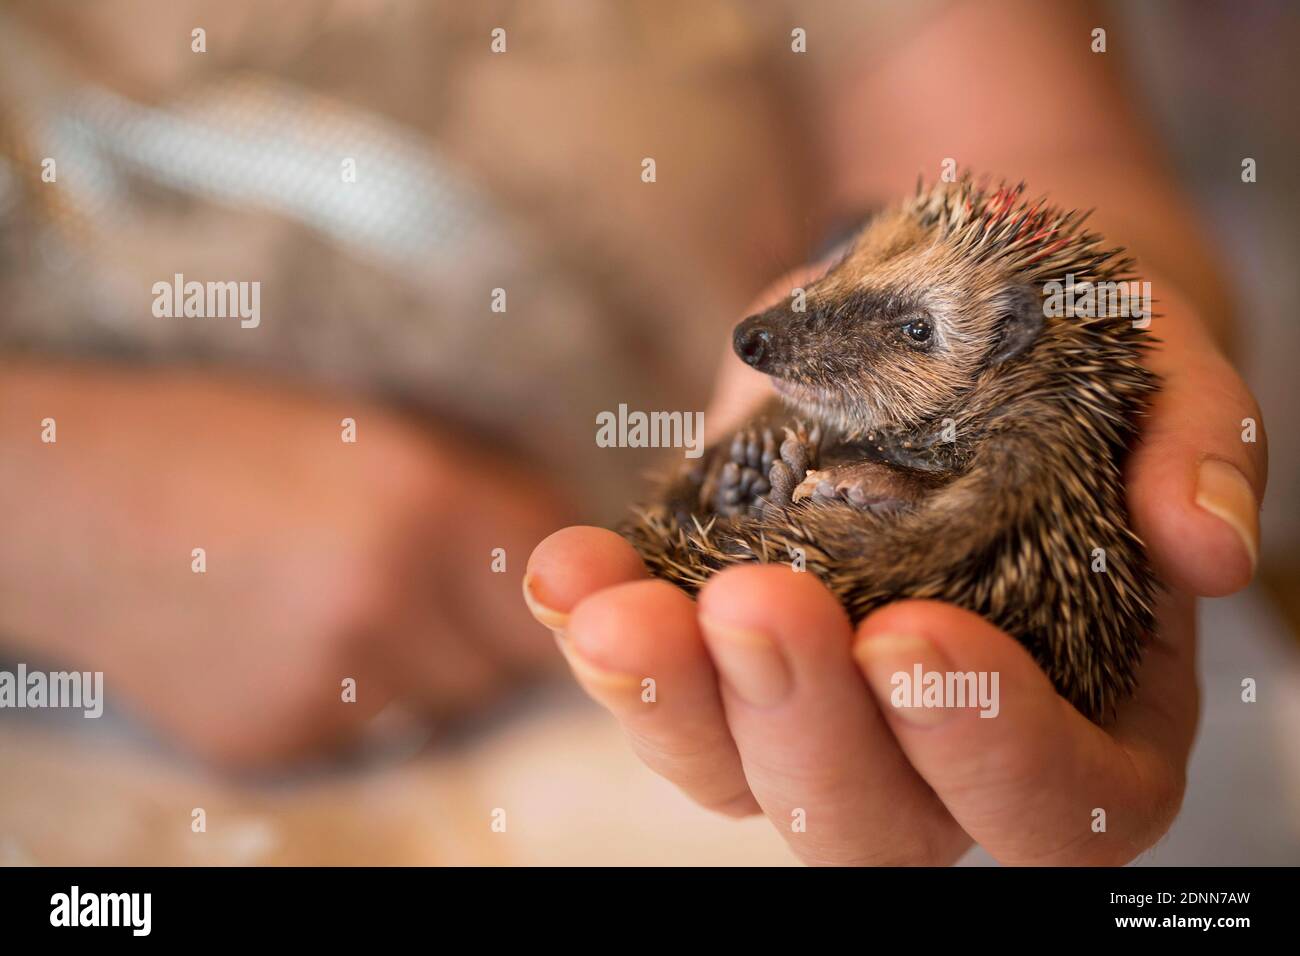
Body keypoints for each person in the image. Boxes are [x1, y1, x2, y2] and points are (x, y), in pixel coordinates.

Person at [0, 0, 1265, 865]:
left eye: (878, 312)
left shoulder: (1013, 414)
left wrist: (1121, 281)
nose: (773, 341)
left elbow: (1012, 146)